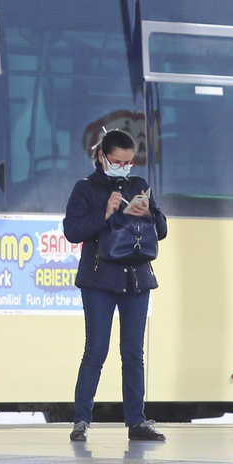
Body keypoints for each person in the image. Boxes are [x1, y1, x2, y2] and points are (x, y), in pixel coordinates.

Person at [62, 129, 168, 443]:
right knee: (95, 350)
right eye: (117, 161)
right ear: (101, 157)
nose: (123, 167)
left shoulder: (140, 186)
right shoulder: (85, 188)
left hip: (136, 280)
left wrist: (150, 213)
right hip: (98, 280)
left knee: (133, 353)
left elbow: (161, 230)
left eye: (128, 161)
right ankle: (81, 420)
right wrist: (105, 212)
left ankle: (137, 422)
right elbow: (72, 230)